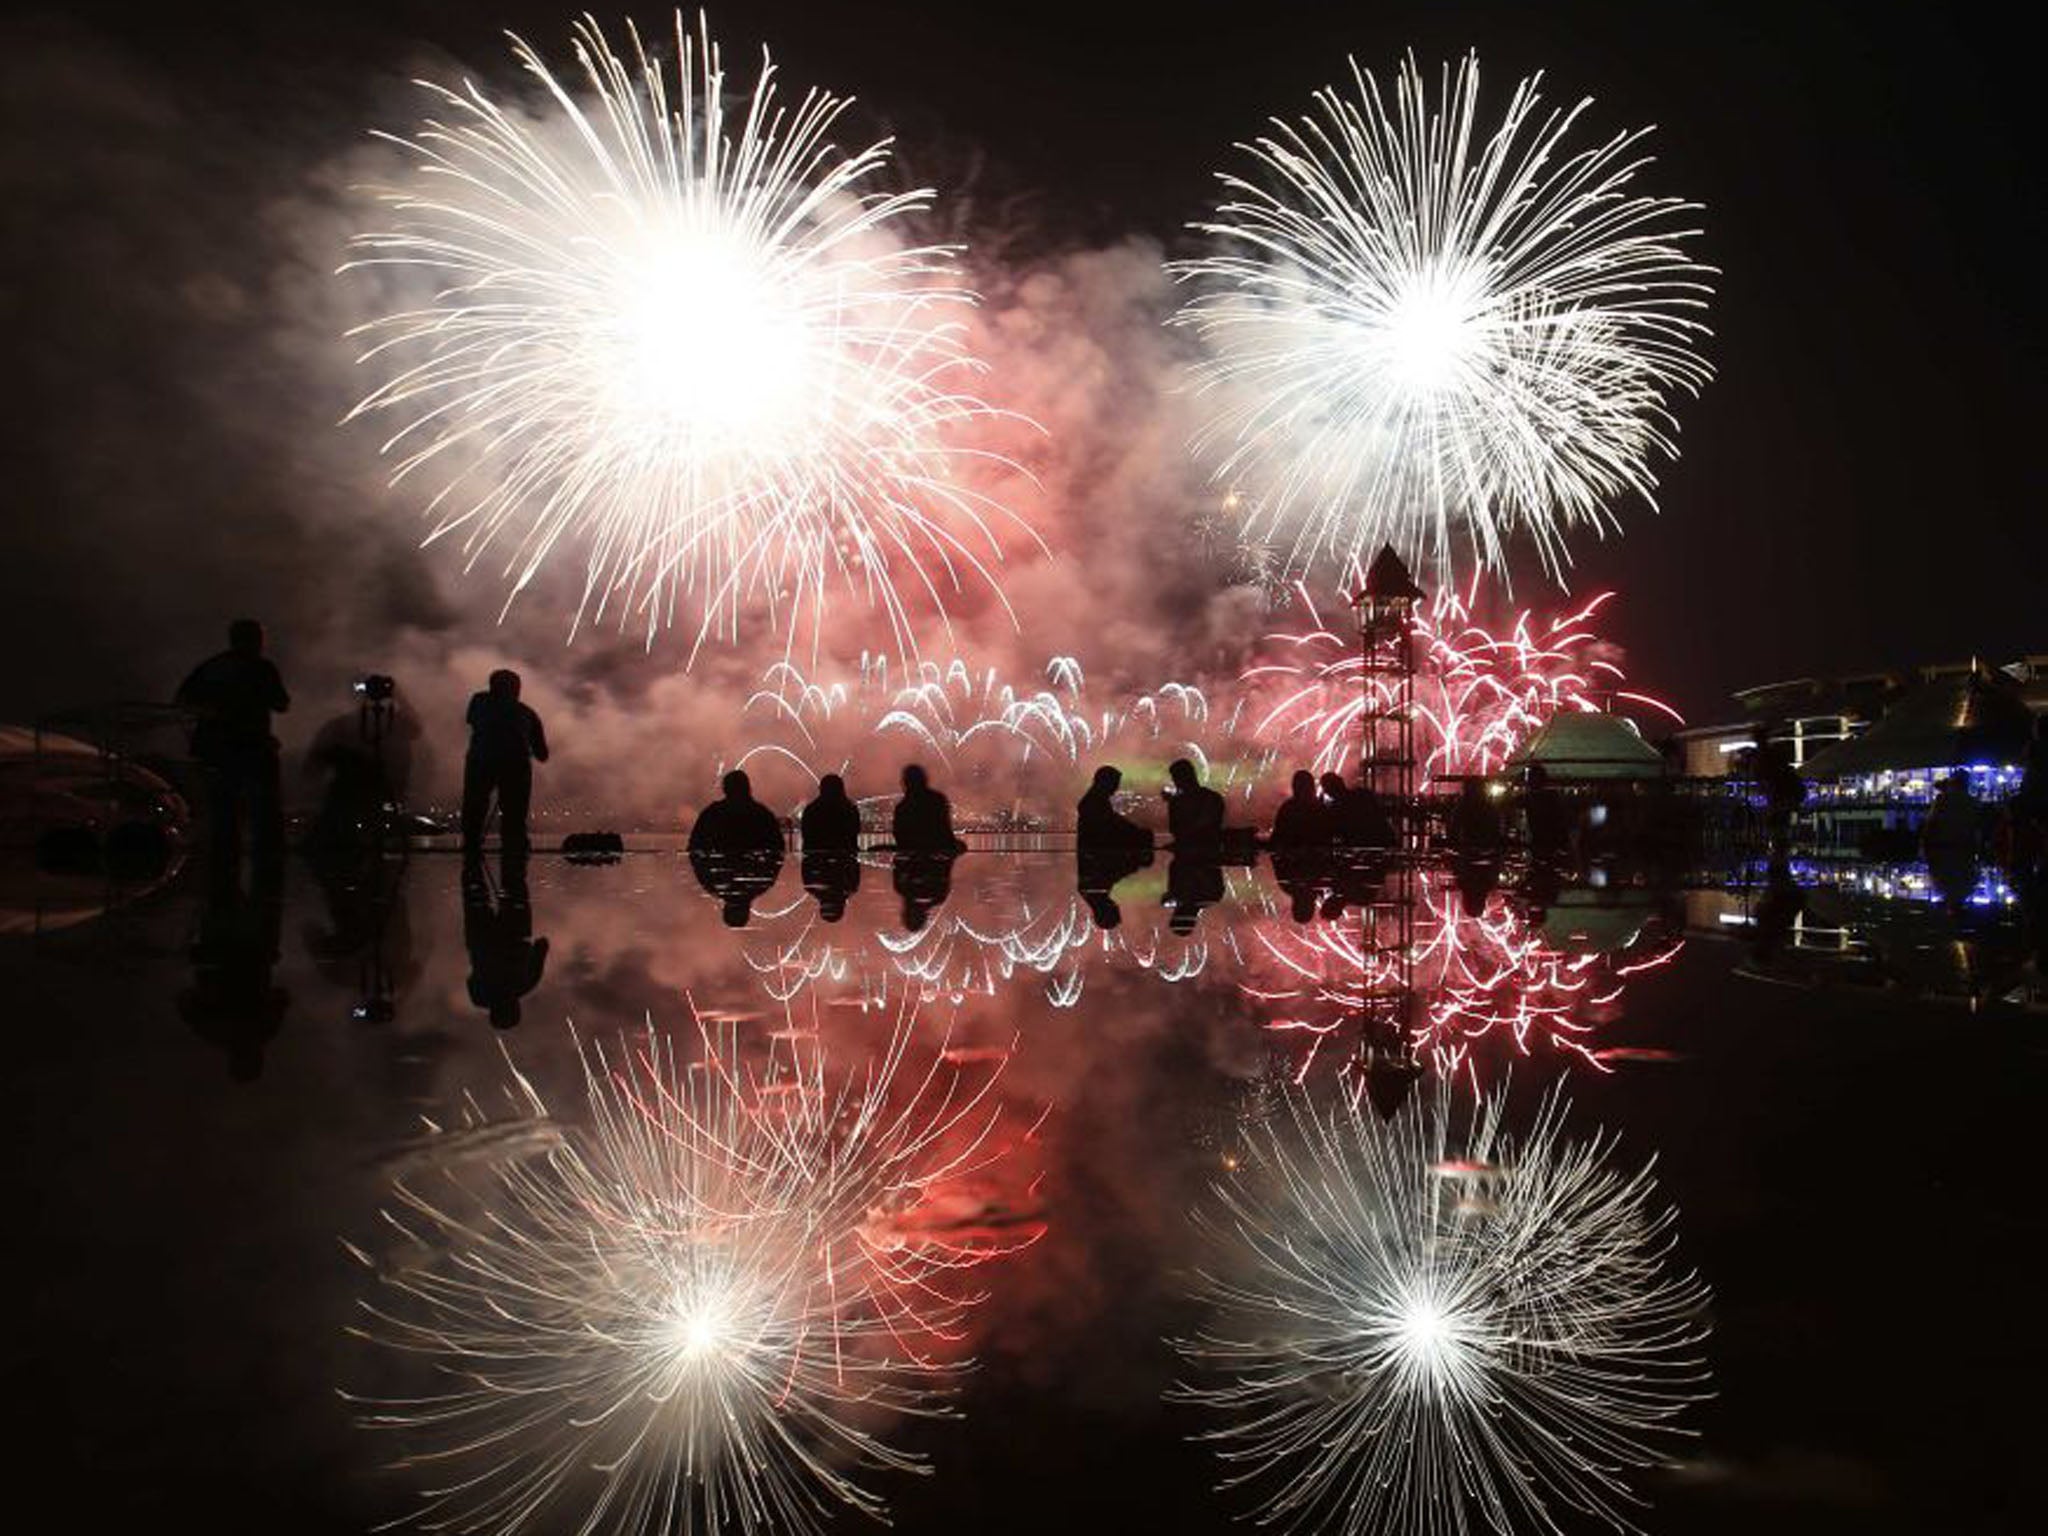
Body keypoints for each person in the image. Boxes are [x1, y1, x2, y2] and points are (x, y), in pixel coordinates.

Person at [175, 618, 290, 874]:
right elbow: (282, 703)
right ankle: (266, 874)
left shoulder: (212, 667)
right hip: (253, 748)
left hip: (216, 750)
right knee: (265, 811)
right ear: (255, 640)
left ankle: (223, 874)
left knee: (223, 812)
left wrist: (212, 714)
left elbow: (182, 700)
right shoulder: (261, 668)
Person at [462, 669, 549, 855]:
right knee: (514, 816)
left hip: (481, 761)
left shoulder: (479, 702)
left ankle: (471, 848)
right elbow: (543, 754)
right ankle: (515, 857)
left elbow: (471, 719)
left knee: (474, 808)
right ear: (517, 689)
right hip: (515, 766)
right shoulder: (527, 714)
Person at [463, 852, 547, 1029]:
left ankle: (512, 840)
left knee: (513, 878)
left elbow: (541, 945)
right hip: (481, 939)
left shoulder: (527, 983)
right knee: (474, 885)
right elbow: (470, 979)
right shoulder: (479, 997)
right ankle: (471, 840)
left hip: (515, 932)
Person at [688, 769, 785, 853]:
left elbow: (694, 846)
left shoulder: (711, 814)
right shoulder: (763, 815)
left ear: (725, 789)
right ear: (748, 788)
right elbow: (779, 846)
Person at [892, 764, 966, 853]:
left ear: (906, 782)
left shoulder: (901, 807)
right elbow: (945, 830)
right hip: (938, 850)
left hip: (910, 854)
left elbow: (899, 836)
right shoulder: (937, 800)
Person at [1077, 765, 1154, 849]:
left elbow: (1112, 820)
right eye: (1115, 784)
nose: (1116, 788)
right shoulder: (1095, 802)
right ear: (1106, 782)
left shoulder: (1095, 799)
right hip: (1100, 848)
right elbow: (1109, 824)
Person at [1163, 758, 1226, 849]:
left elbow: (1181, 831)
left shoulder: (1177, 803)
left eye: (1174, 777)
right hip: (1210, 852)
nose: (1173, 781)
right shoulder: (1214, 797)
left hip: (1196, 852)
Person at [1521, 763, 1572, 863]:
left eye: (1530, 778)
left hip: (1544, 843)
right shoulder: (1552, 796)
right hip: (1550, 843)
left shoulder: (1531, 797)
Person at [800, 773, 862, 851]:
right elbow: (854, 834)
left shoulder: (811, 810)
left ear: (821, 788)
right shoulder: (850, 809)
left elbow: (807, 836)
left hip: (815, 857)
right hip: (846, 856)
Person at [1268, 770, 1328, 848]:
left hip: (1291, 853)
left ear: (1295, 786)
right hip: (1317, 855)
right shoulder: (1320, 807)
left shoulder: (1288, 807)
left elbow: (1278, 835)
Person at [1446, 778, 1503, 856]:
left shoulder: (1461, 807)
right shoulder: (1489, 807)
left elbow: (1454, 829)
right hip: (1486, 847)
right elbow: (1497, 828)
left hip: (1467, 846)